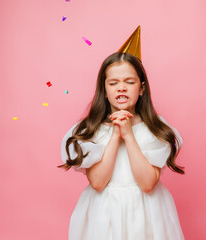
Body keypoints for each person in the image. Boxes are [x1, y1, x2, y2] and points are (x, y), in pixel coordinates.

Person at [59, 26, 185, 240]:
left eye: (129, 82)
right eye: (113, 83)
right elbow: (98, 183)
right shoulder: (91, 129)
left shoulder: (154, 127)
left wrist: (129, 134)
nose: (121, 88)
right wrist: (115, 136)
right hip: (104, 214)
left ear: (141, 88)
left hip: (147, 214)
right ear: (105, 90)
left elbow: (147, 184)